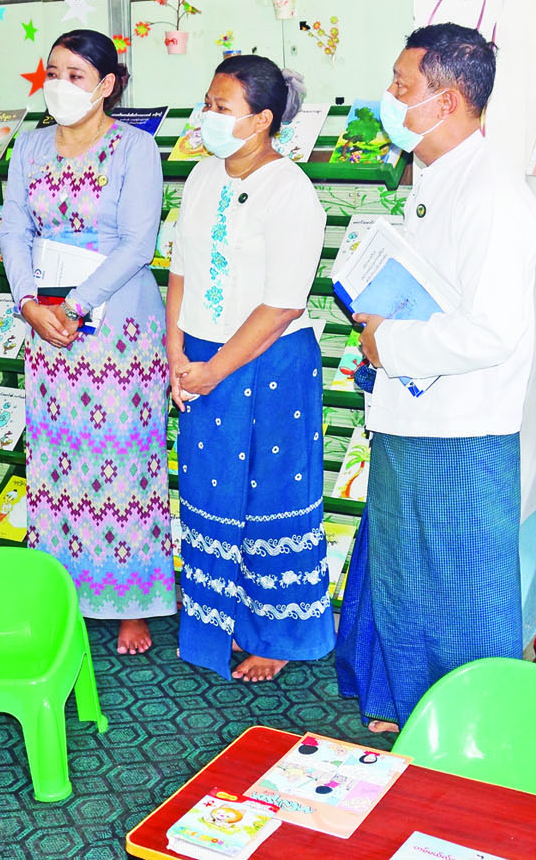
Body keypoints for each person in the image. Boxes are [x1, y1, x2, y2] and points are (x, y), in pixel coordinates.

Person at [335, 24, 536, 733]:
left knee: (462, 591)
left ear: (446, 100)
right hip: (411, 412)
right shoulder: (436, 179)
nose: (388, 98)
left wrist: (387, 340)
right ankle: (412, 711)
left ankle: (475, 731)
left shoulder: (494, 196)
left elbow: (491, 332)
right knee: (406, 577)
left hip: (462, 427)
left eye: (402, 85)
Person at [0, 29, 175, 655]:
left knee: (125, 464)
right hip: (47, 332)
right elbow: (13, 228)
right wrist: (28, 304)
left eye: (75, 75)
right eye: (53, 72)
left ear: (107, 85)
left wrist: (73, 305)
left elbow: (137, 244)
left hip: (117, 331)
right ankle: (62, 593)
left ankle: (132, 603)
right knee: (57, 465)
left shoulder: (136, 148)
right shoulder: (29, 145)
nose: (59, 85)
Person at [168, 54, 332, 683]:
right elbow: (180, 271)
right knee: (209, 494)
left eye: (221, 107)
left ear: (262, 120)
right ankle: (221, 623)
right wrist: (176, 352)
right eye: (207, 102)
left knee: (271, 496)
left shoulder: (290, 190)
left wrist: (214, 369)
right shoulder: (201, 177)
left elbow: (283, 303)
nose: (206, 116)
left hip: (269, 364)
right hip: (200, 360)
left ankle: (277, 636)